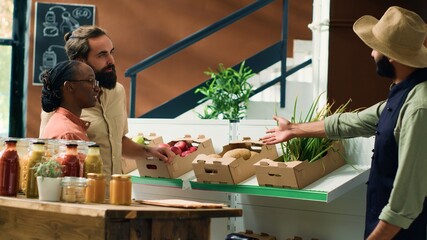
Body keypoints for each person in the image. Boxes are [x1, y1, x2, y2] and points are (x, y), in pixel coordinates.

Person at [261, 6, 427, 240]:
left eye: (375, 48)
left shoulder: (419, 108)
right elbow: (352, 122)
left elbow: (406, 202)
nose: (371, 54)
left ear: (391, 55)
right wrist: (294, 129)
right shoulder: (404, 94)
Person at [39, 26, 175, 180]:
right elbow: (47, 157)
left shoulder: (118, 92)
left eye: (111, 52)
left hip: (113, 193)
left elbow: (118, 142)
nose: (111, 60)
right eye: (102, 55)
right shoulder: (62, 103)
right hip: (84, 195)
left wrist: (149, 151)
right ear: (80, 61)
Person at [40, 60, 100, 140]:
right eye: (90, 81)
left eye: (95, 82)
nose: (97, 88)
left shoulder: (64, 123)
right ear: (69, 87)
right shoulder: (69, 134)